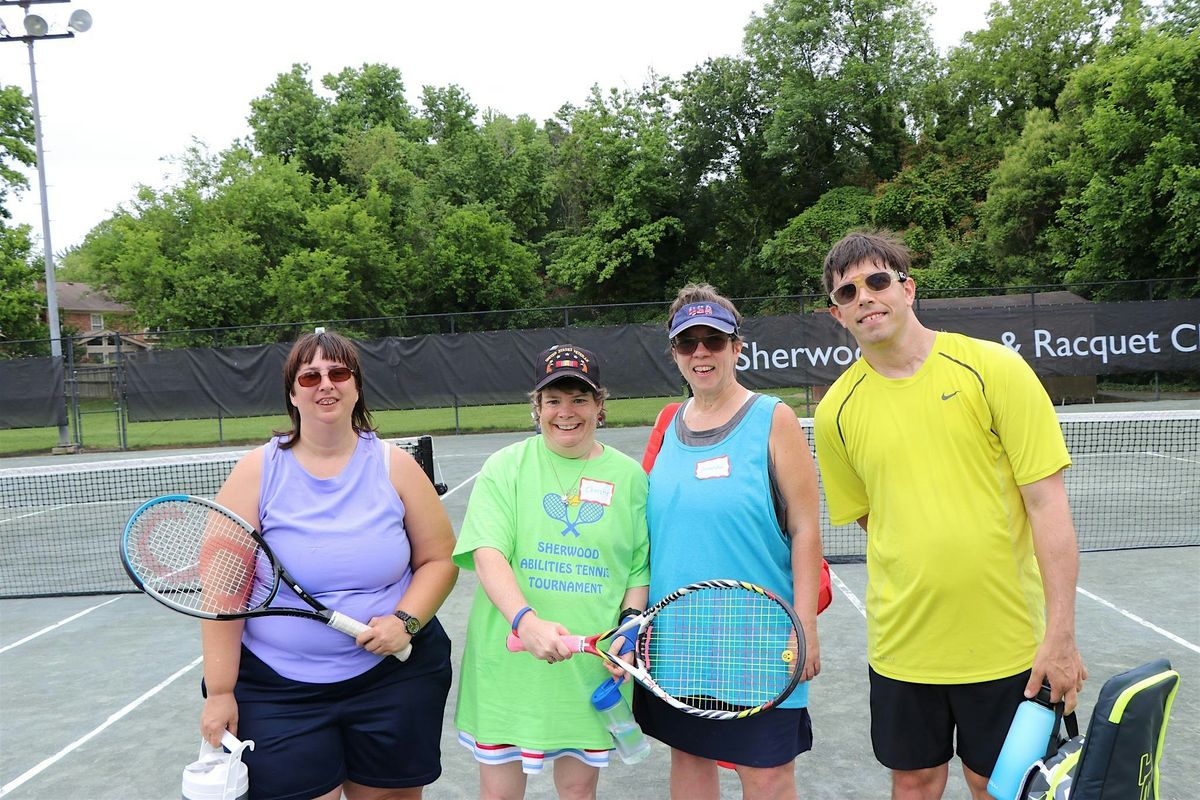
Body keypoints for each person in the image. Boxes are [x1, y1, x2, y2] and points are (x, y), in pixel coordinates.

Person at [812, 230, 1088, 800]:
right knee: (913, 783)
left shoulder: (993, 369)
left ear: (908, 289)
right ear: (837, 314)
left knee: (999, 786)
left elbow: (1047, 505)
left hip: (1007, 643)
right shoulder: (835, 411)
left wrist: (1060, 636)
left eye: (877, 281)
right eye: (847, 292)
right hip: (902, 646)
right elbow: (872, 518)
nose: (864, 297)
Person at [199, 330, 458, 800]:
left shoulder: (394, 465)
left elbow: (439, 560)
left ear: (356, 386)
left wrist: (405, 621)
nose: (326, 384)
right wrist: (220, 691)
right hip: (280, 689)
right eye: (310, 375)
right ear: (292, 393)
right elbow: (224, 590)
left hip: (394, 680)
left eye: (339, 373)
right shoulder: (256, 472)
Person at [633, 284, 824, 800]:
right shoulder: (667, 423)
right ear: (673, 353)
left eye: (713, 341)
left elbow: (806, 528)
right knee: (691, 763)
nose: (701, 353)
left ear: (737, 347)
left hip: (760, 644)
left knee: (765, 775)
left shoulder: (773, 418)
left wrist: (803, 625)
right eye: (687, 342)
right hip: (677, 643)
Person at [452, 344, 650, 800]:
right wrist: (526, 621)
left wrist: (628, 627)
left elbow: (636, 569)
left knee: (578, 794)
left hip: (590, 672)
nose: (566, 412)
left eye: (580, 399)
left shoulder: (630, 477)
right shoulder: (505, 468)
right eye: (554, 400)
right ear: (536, 407)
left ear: (600, 406)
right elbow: (487, 554)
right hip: (510, 672)